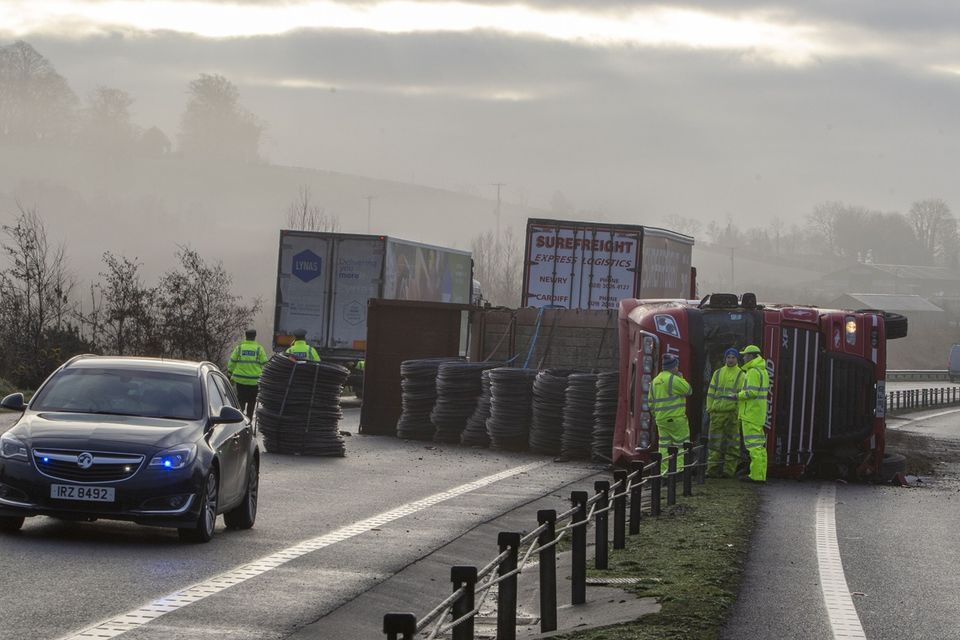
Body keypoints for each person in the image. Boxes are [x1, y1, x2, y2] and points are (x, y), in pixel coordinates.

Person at [648, 354, 693, 474]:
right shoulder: (673, 379)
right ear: (673, 367)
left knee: (663, 446)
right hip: (676, 419)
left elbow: (651, 404)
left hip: (661, 420)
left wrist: (657, 415)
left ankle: (664, 473)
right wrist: (681, 378)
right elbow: (689, 390)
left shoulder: (654, 381)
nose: (677, 368)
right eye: (676, 366)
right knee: (681, 445)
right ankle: (678, 472)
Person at [706, 347, 744, 478]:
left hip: (732, 413)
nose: (731, 359)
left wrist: (738, 414)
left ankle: (728, 471)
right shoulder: (717, 373)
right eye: (728, 357)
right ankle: (712, 470)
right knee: (714, 443)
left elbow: (741, 397)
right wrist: (709, 408)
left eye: (733, 357)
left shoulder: (741, 375)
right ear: (725, 358)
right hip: (717, 413)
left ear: (737, 359)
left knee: (732, 444)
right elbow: (710, 392)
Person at [737, 344, 770, 482]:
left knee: (753, 446)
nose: (743, 357)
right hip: (757, 413)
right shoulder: (763, 370)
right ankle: (759, 475)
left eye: (745, 355)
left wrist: (736, 395)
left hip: (750, 413)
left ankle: (756, 477)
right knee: (759, 446)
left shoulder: (752, 371)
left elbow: (751, 393)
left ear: (751, 356)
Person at [227, 329, 269, 419]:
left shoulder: (239, 348)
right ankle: (249, 419)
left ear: (246, 336)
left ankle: (240, 420)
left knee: (241, 400)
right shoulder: (259, 349)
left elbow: (232, 362)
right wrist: (266, 378)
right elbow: (265, 364)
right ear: (255, 337)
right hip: (254, 381)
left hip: (240, 380)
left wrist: (229, 373)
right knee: (252, 401)